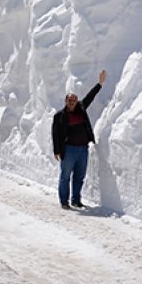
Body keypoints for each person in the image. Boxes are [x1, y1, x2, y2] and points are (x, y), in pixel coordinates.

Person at [52, 69, 107, 210]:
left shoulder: (81, 108)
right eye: (69, 100)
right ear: (65, 101)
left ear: (77, 102)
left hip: (83, 149)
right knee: (65, 176)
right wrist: (57, 150)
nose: (72, 102)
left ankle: (76, 200)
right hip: (69, 149)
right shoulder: (59, 116)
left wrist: (100, 83)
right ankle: (64, 201)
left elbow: (90, 96)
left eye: (74, 100)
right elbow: (55, 134)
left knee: (79, 176)